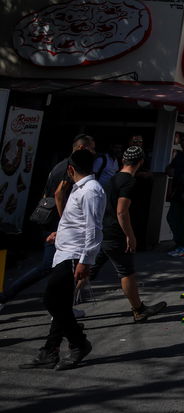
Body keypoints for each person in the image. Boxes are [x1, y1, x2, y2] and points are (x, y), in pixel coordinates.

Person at [24, 147, 104, 370]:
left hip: (74, 255)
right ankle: (50, 350)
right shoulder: (81, 189)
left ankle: (78, 342)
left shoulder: (90, 191)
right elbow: (78, 222)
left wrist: (85, 261)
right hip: (65, 251)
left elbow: (93, 228)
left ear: (70, 169)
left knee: (52, 300)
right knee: (61, 303)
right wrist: (59, 233)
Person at [0, 135, 94, 313]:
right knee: (53, 266)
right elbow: (59, 193)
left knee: (58, 266)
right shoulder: (70, 167)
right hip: (56, 224)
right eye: (91, 148)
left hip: (51, 222)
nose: (94, 152)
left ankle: (60, 307)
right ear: (82, 149)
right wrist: (65, 221)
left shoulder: (60, 164)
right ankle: (57, 308)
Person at [91, 146, 167, 323]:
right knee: (126, 272)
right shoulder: (129, 182)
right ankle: (139, 310)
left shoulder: (112, 179)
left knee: (88, 270)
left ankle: (63, 306)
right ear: (140, 162)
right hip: (116, 234)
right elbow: (121, 212)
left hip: (104, 231)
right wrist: (130, 235)